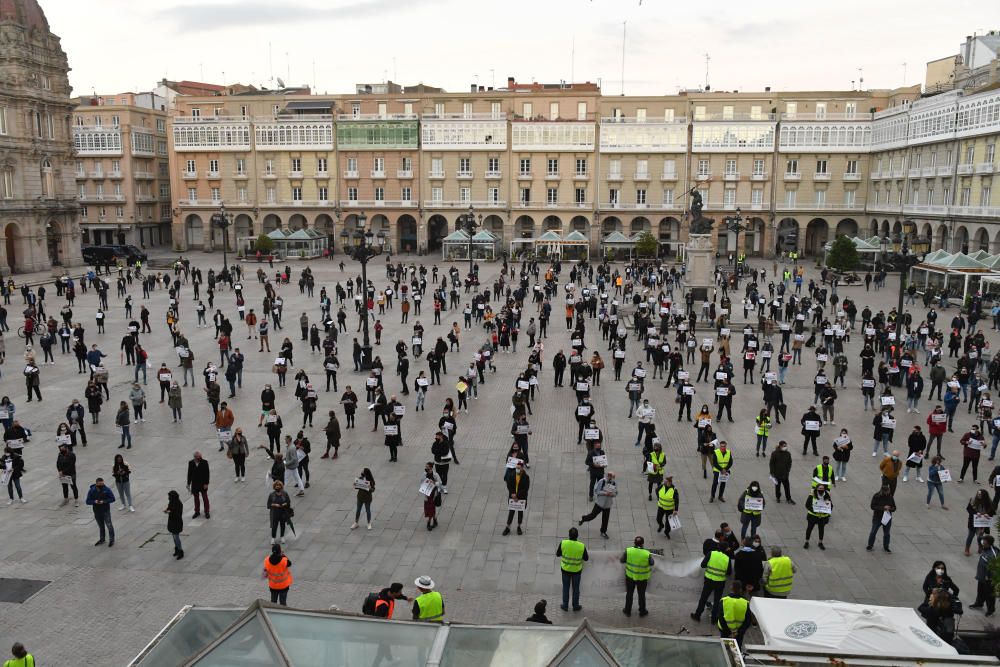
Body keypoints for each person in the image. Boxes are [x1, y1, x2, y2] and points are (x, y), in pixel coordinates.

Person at [691, 541, 731, 623]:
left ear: (718, 547)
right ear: (726, 549)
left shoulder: (711, 553)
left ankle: (697, 615)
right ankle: (714, 619)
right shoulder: (727, 559)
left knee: (703, 598)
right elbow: (729, 572)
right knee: (717, 601)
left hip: (709, 580)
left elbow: (702, 565)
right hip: (720, 582)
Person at [556, 527, 588, 612]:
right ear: (577, 536)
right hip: (576, 571)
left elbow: (557, 554)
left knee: (566, 587)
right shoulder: (581, 546)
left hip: (565, 570)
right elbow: (586, 558)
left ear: (569, 535)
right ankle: (575, 605)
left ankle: (565, 605)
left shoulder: (563, 543)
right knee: (576, 588)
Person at [620, 535, 653, 617]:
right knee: (641, 595)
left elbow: (622, 560)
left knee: (629, 594)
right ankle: (642, 611)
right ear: (643, 544)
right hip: (642, 579)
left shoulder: (628, 551)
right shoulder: (646, 553)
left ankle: (627, 611)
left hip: (630, 577)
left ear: (634, 543)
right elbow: (652, 563)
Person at [579, 471, 617, 538]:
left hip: (607, 504)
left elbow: (616, 493)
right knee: (592, 516)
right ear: (608, 476)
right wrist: (605, 493)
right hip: (599, 503)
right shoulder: (602, 481)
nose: (612, 479)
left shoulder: (614, 483)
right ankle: (584, 518)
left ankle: (603, 531)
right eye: (611, 477)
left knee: (605, 519)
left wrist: (612, 494)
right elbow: (596, 491)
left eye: (613, 477)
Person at [717, 581, 752, 646]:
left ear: (731, 588)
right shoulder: (745, 603)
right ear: (741, 589)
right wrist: (739, 632)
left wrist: (727, 631)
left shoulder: (724, 601)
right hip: (738, 633)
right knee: (737, 648)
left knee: (725, 647)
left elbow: (720, 617)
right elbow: (748, 620)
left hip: (725, 631)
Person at [972, 535, 999, 616]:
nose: (982, 543)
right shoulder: (985, 548)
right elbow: (979, 538)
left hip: (988, 578)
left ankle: (991, 610)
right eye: (983, 541)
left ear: (989, 543)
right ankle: (979, 603)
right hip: (981, 576)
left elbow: (994, 567)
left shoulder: (993, 554)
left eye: (984, 542)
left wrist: (989, 578)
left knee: (989, 595)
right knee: (980, 591)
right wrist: (981, 534)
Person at [85, 477, 115, 547]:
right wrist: (94, 501)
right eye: (100, 484)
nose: (101, 486)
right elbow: (87, 501)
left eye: (102, 484)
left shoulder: (107, 490)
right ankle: (102, 539)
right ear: (96, 483)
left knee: (109, 525)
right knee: (101, 526)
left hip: (105, 510)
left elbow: (113, 499)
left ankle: (112, 540)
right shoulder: (92, 490)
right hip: (97, 511)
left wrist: (104, 501)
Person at [866, 484, 897, 553]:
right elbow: (872, 506)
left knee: (887, 533)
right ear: (883, 491)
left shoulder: (890, 497)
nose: (888, 493)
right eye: (887, 491)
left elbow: (894, 507)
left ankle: (886, 546)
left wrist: (890, 508)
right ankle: (870, 545)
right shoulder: (876, 496)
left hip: (887, 518)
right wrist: (883, 508)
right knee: (873, 531)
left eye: (888, 491)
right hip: (877, 517)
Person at [504, 460, 529, 535]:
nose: (517, 469)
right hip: (512, 497)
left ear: (522, 468)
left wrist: (517, 496)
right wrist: (512, 494)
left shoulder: (526, 477)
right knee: (511, 512)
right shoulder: (512, 475)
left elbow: (525, 488)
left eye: (519, 468)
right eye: (516, 468)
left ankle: (519, 526)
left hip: (521, 498)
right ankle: (508, 526)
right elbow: (509, 485)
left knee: (520, 512)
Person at [804, 484, 832, 550]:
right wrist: (815, 511)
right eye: (820, 488)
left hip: (823, 517)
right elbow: (807, 505)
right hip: (812, 516)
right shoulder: (812, 495)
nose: (821, 490)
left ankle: (820, 542)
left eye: (822, 488)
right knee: (809, 529)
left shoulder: (827, 495)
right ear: (817, 488)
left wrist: (826, 512)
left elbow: (831, 506)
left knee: (821, 529)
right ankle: (806, 542)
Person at [186, 451, 210, 519]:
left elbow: (207, 473)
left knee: (205, 498)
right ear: (195, 457)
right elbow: (189, 473)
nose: (200, 458)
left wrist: (206, 483)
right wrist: (188, 483)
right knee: (196, 499)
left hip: (203, 484)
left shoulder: (204, 462)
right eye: (198, 457)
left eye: (200, 456)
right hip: (195, 484)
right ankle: (197, 511)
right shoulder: (191, 463)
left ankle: (207, 511)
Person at [267, 480, 292, 544]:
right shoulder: (271, 495)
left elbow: (288, 502)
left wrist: (284, 504)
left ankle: (282, 537)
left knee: (282, 525)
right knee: (274, 526)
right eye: (276, 485)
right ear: (274, 486)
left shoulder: (285, 493)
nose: (277, 487)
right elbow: (268, 505)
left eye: (279, 485)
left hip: (283, 512)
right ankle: (273, 538)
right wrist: (275, 505)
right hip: (275, 512)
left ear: (281, 486)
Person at [164, 490, 184, 559]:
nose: (168, 498)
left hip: (177, 523)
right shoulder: (172, 501)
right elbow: (169, 507)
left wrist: (170, 512)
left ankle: (180, 551)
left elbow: (177, 514)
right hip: (172, 522)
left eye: (169, 496)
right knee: (174, 537)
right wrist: (167, 510)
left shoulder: (179, 504)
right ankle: (177, 549)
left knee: (176, 537)